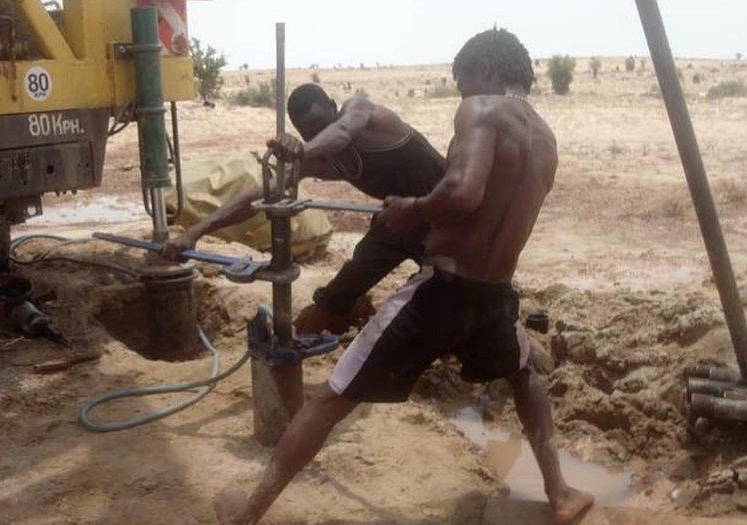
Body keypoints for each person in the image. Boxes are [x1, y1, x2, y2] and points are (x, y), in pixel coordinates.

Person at [213, 28, 594, 524]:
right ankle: (560, 492)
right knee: (523, 376)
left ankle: (247, 514)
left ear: (486, 71)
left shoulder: (481, 108)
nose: (462, 94)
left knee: (330, 400)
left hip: (443, 291)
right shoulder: (545, 138)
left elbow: (461, 192)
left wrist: (411, 210)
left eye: (462, 82)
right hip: (497, 294)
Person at [161, 84, 446, 334]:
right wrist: (196, 231)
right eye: (308, 133)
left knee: (447, 292)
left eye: (321, 126)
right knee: (335, 296)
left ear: (335, 107)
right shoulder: (318, 157)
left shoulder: (361, 111)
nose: (317, 135)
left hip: (445, 213)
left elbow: (342, 133)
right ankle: (313, 334)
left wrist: (302, 150)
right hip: (396, 219)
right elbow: (262, 193)